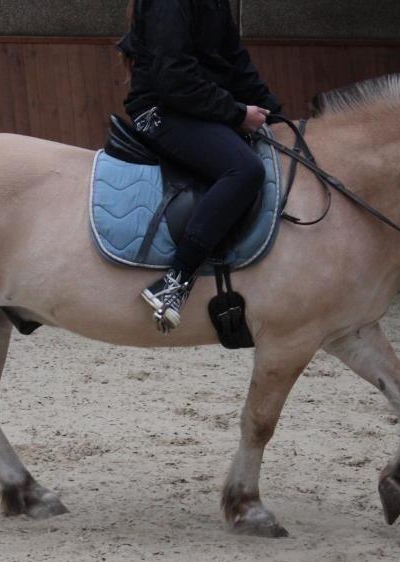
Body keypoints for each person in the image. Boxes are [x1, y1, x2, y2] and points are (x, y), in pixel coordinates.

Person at [118, 0, 282, 333]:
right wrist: (236, 114)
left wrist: (277, 118)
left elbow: (237, 66)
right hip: (159, 111)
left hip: (194, 106)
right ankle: (174, 280)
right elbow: (174, 79)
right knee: (244, 169)